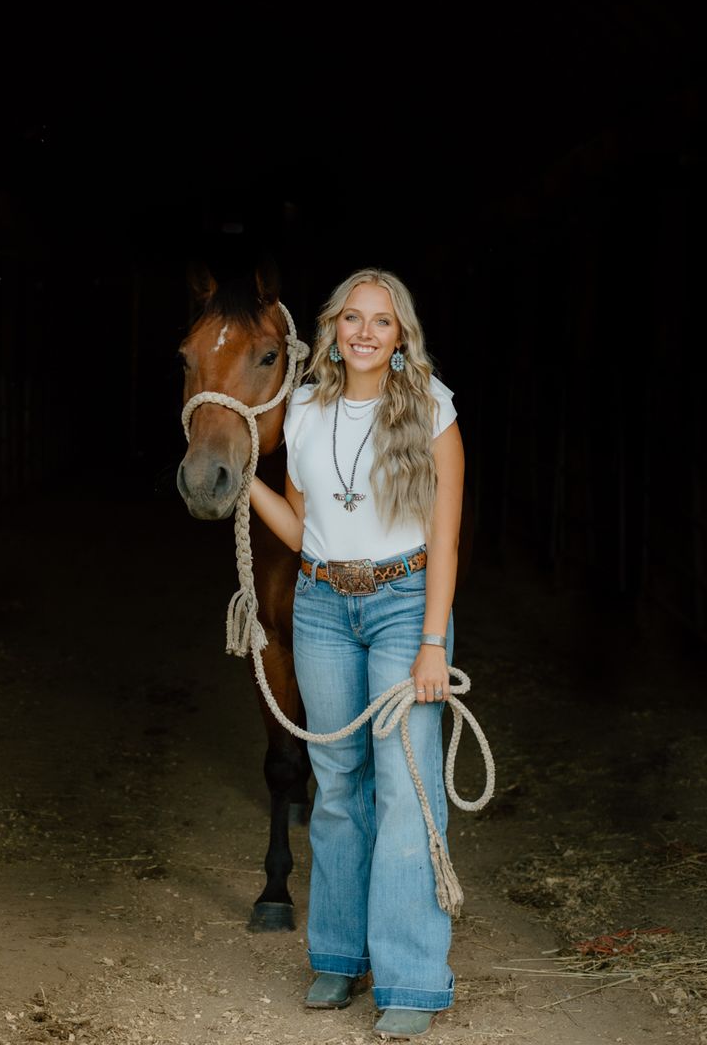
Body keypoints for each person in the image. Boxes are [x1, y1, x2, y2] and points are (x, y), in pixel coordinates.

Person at [248, 266, 465, 1039]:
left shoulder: (432, 410)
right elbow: (305, 529)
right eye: (351, 318)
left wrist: (434, 641)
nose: (365, 332)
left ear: (400, 335)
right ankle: (339, 957)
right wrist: (245, 480)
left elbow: (444, 538)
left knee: (406, 783)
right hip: (320, 606)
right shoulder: (304, 409)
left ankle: (411, 980)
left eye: (381, 320)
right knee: (337, 782)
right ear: (333, 329)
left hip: (405, 604)